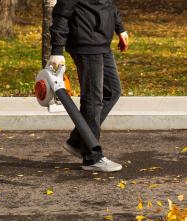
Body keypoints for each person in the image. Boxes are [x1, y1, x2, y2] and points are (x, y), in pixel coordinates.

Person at [48, 0, 128, 172]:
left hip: (102, 42)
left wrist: (119, 28)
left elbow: (107, 4)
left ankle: (78, 141)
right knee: (93, 100)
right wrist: (57, 51)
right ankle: (92, 157)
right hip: (86, 43)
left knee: (112, 91)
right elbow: (61, 13)